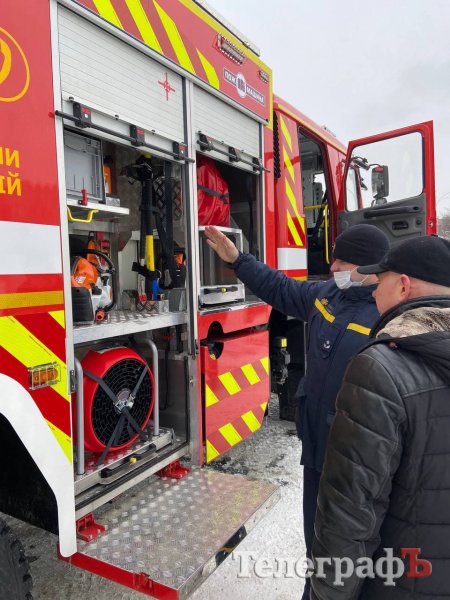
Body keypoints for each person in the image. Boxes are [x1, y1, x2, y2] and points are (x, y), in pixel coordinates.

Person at [204, 223, 390, 599]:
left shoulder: (386, 317)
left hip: (354, 462)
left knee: (349, 553)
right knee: (316, 544)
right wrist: (238, 260)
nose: (332, 266)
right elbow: (280, 288)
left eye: (342, 262)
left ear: (369, 269)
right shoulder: (327, 295)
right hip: (317, 451)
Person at [311, 235, 450, 599]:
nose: (374, 291)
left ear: (403, 286)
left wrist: (329, 592)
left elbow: (350, 512)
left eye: (381, 281)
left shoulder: (381, 368)